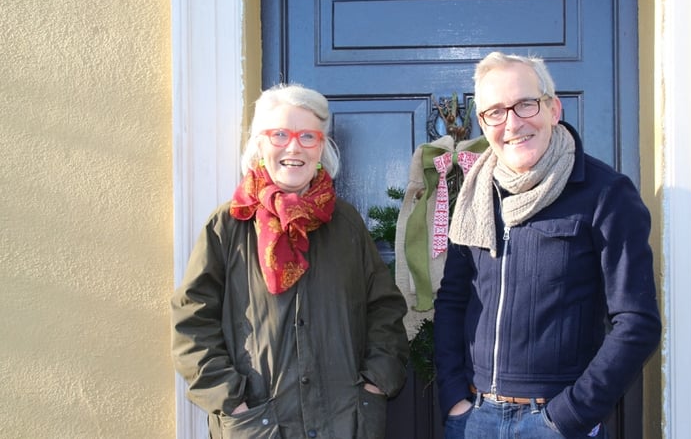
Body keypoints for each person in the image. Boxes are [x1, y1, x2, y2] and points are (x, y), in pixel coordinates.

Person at [433, 52, 662, 439]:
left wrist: (569, 416)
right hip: (475, 420)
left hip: (556, 422)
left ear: (553, 109)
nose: (512, 124)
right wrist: (455, 397)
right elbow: (453, 300)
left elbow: (637, 322)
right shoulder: (475, 196)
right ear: (483, 124)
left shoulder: (605, 194)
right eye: (495, 112)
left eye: (525, 104)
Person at [171, 83, 410, 438]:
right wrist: (232, 401)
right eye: (279, 134)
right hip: (260, 425)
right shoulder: (229, 225)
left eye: (308, 136)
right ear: (260, 144)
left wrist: (374, 384)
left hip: (345, 424)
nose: (294, 147)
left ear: (322, 148)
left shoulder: (346, 224)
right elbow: (192, 321)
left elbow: (384, 310)